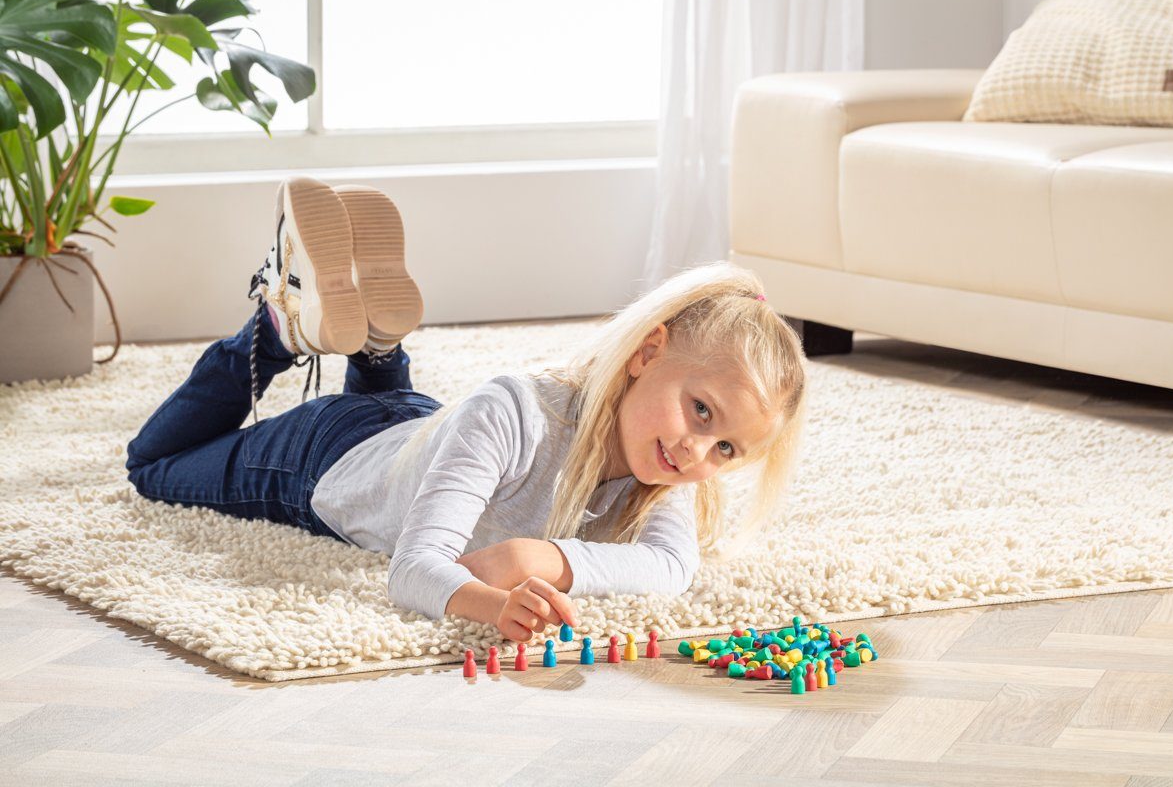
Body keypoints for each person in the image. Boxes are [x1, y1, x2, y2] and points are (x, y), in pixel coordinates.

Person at [125, 176, 810, 644]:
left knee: (407, 431)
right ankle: (279, 329)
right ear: (647, 352)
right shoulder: (515, 411)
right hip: (322, 462)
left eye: (727, 450)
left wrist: (538, 557)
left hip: (416, 432)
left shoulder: (666, 469)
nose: (698, 452)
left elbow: (669, 570)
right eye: (700, 411)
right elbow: (415, 569)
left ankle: (375, 343)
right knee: (152, 465)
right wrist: (492, 602)